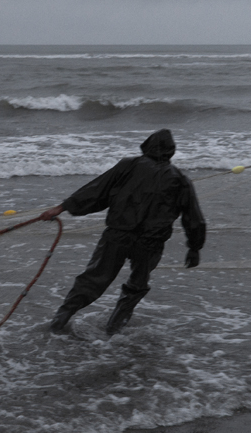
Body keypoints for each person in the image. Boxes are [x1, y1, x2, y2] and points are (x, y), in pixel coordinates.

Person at [40, 129, 206, 335]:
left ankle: (58, 322)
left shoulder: (129, 165)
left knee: (93, 279)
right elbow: (194, 218)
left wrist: (62, 207)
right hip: (150, 242)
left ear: (146, 146)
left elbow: (97, 190)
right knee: (137, 285)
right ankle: (114, 328)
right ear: (172, 152)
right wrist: (194, 248)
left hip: (118, 235)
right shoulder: (181, 179)